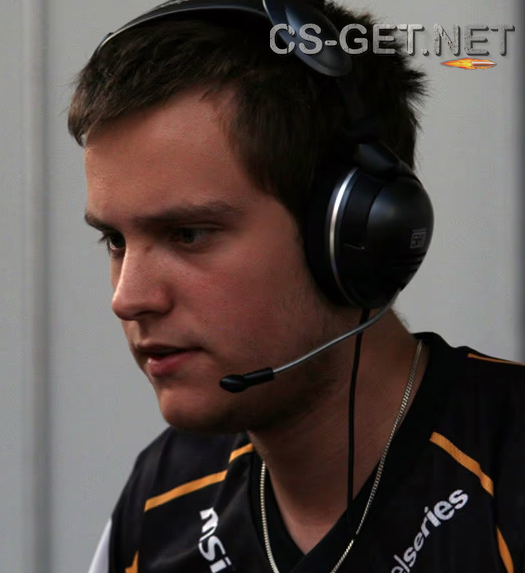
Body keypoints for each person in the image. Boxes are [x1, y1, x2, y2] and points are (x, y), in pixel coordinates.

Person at [68, 0, 525, 571]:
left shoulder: (509, 472)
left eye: (187, 234)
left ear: (354, 236)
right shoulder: (161, 500)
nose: (128, 299)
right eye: (115, 240)